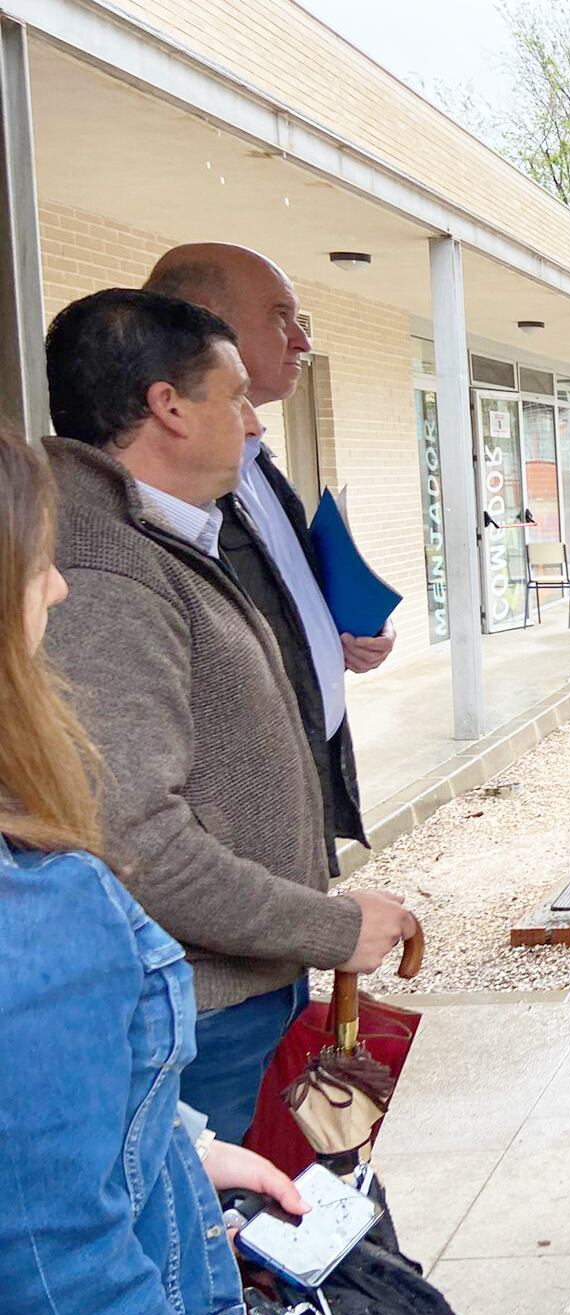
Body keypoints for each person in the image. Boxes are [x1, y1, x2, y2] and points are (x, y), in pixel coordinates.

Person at [40, 288, 416, 1144]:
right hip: (199, 1017)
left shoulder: (158, 537)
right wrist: (332, 926)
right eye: (236, 395)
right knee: (241, 1257)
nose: (254, 423)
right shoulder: (107, 576)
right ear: (167, 408)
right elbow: (133, 838)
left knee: (305, 1224)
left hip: (237, 991)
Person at [0, 430, 311, 1315]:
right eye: (34, 562)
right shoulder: (41, 907)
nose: (57, 587)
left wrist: (173, 1153)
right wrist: (330, 927)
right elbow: (68, 1291)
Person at [144, 243, 392, 878]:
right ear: (205, 322)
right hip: (234, 836)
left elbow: (274, 595)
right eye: (282, 316)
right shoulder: (169, 489)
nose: (302, 342)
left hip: (297, 787)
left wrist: (335, 635)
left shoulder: (254, 461)